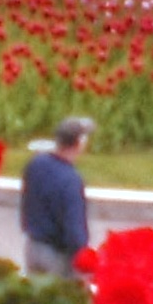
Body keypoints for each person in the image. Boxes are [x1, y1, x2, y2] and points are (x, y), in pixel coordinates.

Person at [20, 118, 95, 277]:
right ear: (79, 143)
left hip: (33, 247)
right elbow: (74, 229)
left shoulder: (36, 164)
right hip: (57, 257)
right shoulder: (71, 180)